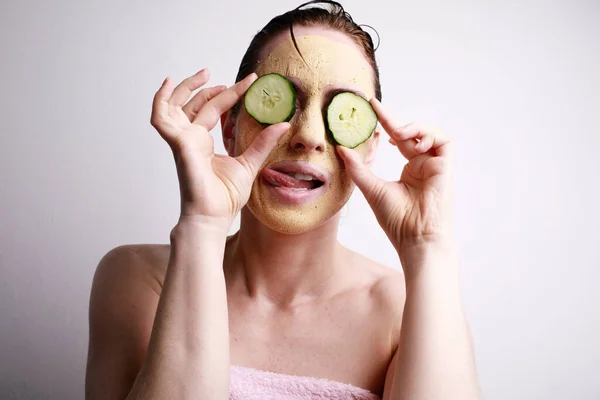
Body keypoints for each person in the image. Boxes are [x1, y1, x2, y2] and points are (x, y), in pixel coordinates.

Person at [85, 1, 480, 399]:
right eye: (279, 99)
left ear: (370, 148)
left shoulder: (408, 309)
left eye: (341, 111)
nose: (308, 135)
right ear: (229, 127)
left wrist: (427, 245)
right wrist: (203, 223)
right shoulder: (141, 278)